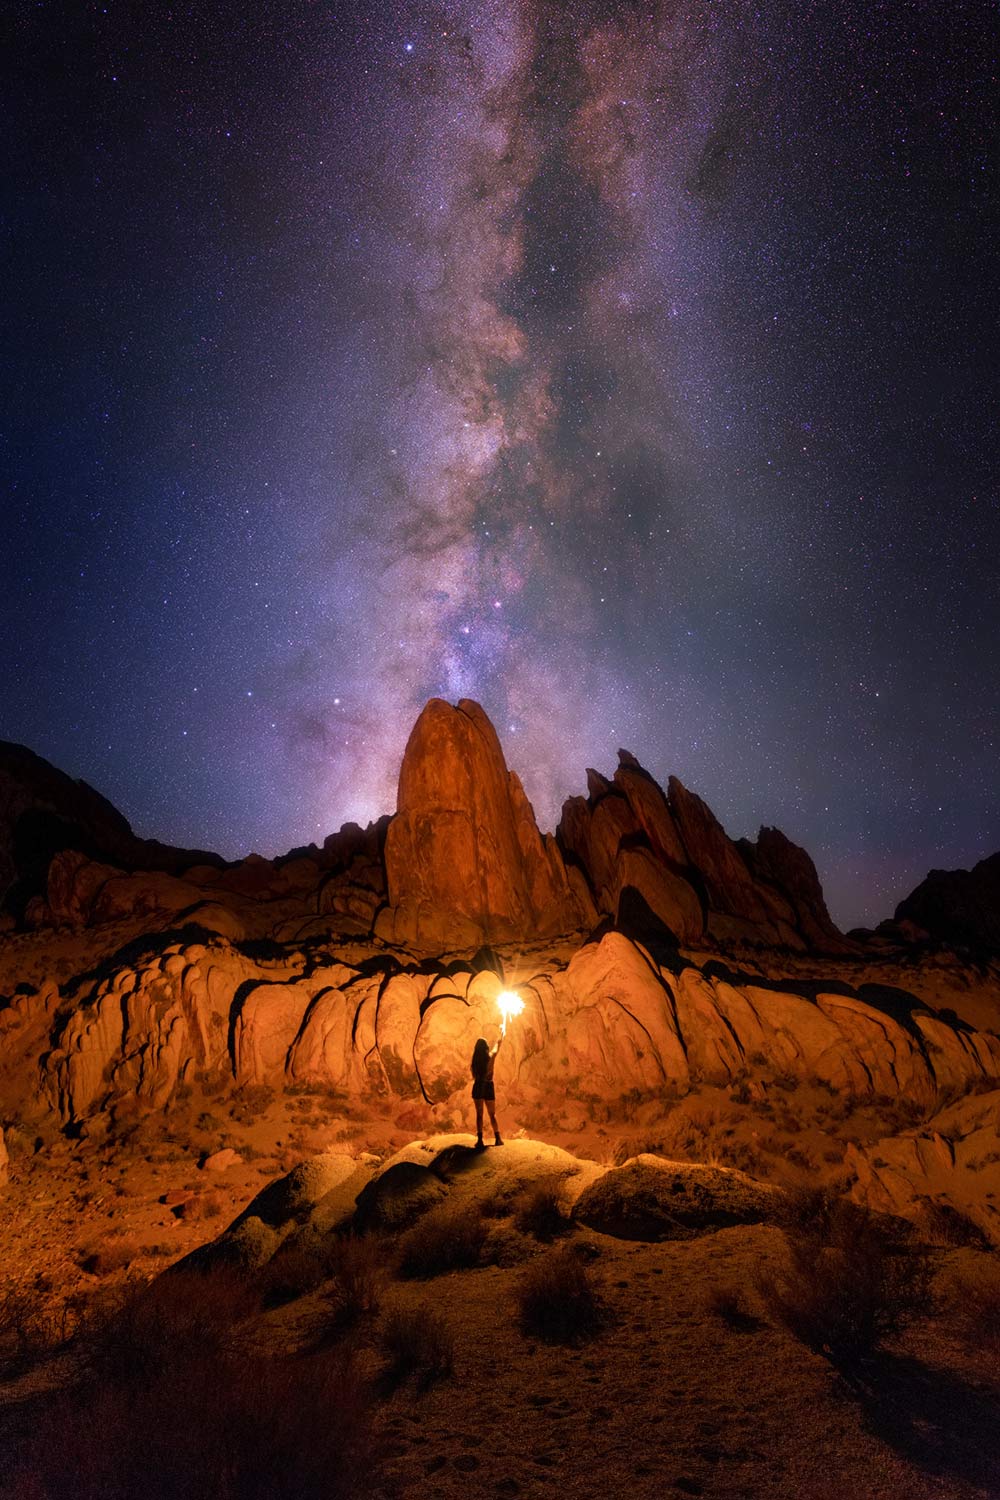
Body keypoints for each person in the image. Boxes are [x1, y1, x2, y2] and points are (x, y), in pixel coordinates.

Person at [470, 1032, 504, 1149]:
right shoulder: (490, 1057)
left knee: (479, 1115)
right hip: (488, 1086)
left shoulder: (474, 1062)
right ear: (485, 1048)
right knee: (492, 1114)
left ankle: (480, 1140)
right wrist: (501, 1035)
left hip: (478, 1086)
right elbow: (497, 1047)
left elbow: (474, 1075)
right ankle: (498, 1138)